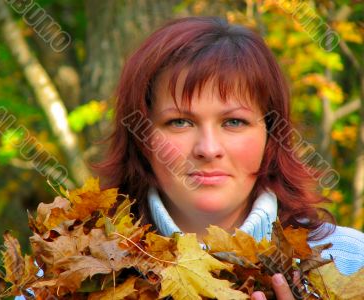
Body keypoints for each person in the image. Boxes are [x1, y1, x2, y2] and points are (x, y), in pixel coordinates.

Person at [94, 16, 364, 299]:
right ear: (141, 136)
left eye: (234, 122)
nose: (208, 149)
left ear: (271, 135)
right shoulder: (67, 272)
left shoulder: (352, 264)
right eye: (180, 122)